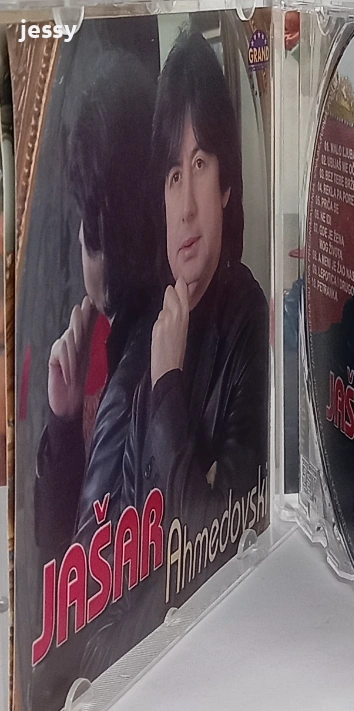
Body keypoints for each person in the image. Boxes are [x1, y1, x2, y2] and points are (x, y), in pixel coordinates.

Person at [74, 29, 269, 675]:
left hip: (214, 656)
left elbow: (218, 545)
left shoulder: (246, 315)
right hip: (129, 670)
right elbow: (85, 570)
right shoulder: (143, 340)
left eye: (202, 164)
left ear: (226, 184)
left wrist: (168, 393)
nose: (185, 206)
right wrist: (60, 427)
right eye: (172, 175)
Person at [34, 50, 160, 563]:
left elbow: (65, 572)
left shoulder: (130, 377)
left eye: (91, 230)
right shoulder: (110, 345)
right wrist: (64, 421)